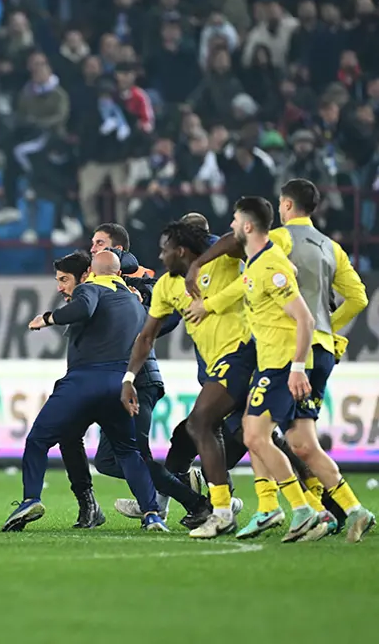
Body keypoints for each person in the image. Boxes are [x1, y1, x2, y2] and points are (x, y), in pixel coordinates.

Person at [186, 181, 374, 542]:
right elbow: (358, 298)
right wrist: (327, 327)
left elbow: (253, 278)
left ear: (285, 205)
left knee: (254, 432)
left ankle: (289, 508)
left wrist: (206, 295)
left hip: (285, 351)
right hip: (320, 348)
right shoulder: (331, 247)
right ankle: (351, 509)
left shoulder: (280, 242)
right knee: (301, 441)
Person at [3, 250, 168, 533]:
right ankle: (152, 513)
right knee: (129, 452)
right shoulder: (134, 301)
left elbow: (83, 309)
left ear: (90, 272)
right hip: (118, 384)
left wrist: (48, 317)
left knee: (38, 440)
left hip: (83, 382)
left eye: (64, 280)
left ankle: (31, 499)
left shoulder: (90, 289)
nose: (61, 286)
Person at [122, 220, 253, 538]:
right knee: (244, 434)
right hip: (217, 367)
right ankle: (326, 505)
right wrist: (128, 377)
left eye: (164, 250)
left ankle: (220, 509)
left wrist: (198, 265)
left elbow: (240, 238)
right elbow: (147, 336)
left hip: (245, 354)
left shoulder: (222, 262)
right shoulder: (167, 286)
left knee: (201, 425)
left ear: (180, 250)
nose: (160, 256)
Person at [212, 196, 323, 542]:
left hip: (281, 365)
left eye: (234, 221)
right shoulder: (256, 264)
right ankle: (270, 507)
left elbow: (305, 318)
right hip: (269, 362)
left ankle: (302, 509)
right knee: (252, 434)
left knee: (255, 436)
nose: (230, 227)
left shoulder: (271, 266)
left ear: (247, 226)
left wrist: (297, 368)